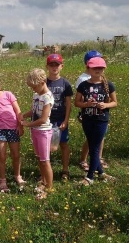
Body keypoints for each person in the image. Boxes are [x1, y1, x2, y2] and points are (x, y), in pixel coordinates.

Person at [74, 57, 117, 186]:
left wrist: (105, 105)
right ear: (89, 69)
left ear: (104, 69)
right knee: (93, 146)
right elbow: (77, 103)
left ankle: (90, 177)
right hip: (87, 120)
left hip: (101, 120)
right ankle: (101, 173)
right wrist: (86, 104)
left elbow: (115, 102)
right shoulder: (83, 85)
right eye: (94, 68)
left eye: (100, 68)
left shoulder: (109, 85)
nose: (97, 70)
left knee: (95, 147)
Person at [0, 72, 25, 192]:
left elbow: (18, 111)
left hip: (13, 128)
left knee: (16, 154)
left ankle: (17, 176)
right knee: (2, 156)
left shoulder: (8, 94)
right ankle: (2, 180)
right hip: (0, 129)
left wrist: (20, 125)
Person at [20, 69, 54, 200]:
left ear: (42, 82)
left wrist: (27, 124)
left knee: (45, 161)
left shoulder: (48, 97)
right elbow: (33, 111)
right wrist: (24, 115)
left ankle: (49, 188)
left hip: (44, 132)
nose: (33, 89)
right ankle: (44, 181)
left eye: (34, 86)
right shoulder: (36, 95)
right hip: (35, 131)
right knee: (39, 158)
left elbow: (43, 119)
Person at [75, 50, 108, 171]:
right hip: (88, 113)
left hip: (101, 114)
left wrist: (105, 104)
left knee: (100, 137)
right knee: (91, 139)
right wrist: (87, 104)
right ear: (88, 64)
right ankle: (84, 159)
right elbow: (80, 98)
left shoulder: (102, 78)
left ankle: (98, 159)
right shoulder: (83, 80)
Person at [46, 54, 73, 180]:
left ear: (61, 66)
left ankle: (65, 170)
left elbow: (68, 103)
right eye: (51, 65)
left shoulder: (65, 83)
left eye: (56, 65)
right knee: (46, 146)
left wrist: (66, 120)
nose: (54, 67)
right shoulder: (44, 83)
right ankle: (46, 171)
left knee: (63, 144)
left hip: (60, 119)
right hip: (46, 120)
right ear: (47, 66)